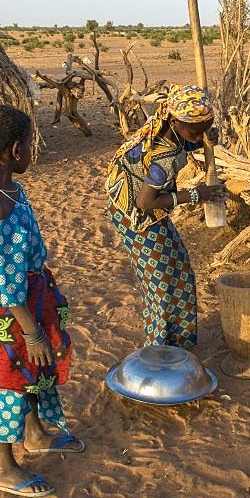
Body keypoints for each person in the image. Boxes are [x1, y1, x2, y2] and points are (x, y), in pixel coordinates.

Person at [0, 103, 83, 498]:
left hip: (31, 300)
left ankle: (34, 435)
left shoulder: (11, 191)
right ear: (16, 150)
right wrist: (31, 331)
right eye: (31, 144)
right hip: (12, 313)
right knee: (12, 381)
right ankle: (3, 466)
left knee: (37, 371)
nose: (33, 151)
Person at [105, 84, 227, 348]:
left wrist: (203, 137)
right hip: (136, 216)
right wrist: (196, 195)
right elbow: (146, 201)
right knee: (160, 282)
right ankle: (160, 349)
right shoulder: (165, 157)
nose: (199, 135)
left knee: (180, 269)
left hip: (136, 205)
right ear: (175, 120)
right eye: (195, 131)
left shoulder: (164, 124)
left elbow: (185, 140)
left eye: (205, 128)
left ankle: (179, 343)